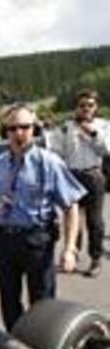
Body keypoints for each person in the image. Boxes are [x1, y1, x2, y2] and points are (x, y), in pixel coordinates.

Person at [0, 104, 85, 332]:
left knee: (43, 303)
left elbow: (71, 206)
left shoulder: (50, 163)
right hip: (4, 241)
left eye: (25, 127)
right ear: (5, 132)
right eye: (12, 128)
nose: (19, 133)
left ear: (34, 129)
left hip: (37, 240)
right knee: (9, 301)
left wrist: (69, 248)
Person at [48, 88, 110, 277]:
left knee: (95, 221)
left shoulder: (104, 126)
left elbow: (107, 150)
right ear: (76, 107)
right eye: (82, 105)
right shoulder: (65, 128)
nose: (86, 109)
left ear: (95, 107)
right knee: (73, 220)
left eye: (90, 105)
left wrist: (93, 134)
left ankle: (95, 259)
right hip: (72, 176)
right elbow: (56, 153)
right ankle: (72, 256)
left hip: (94, 175)